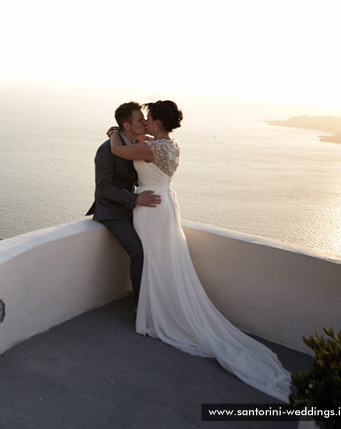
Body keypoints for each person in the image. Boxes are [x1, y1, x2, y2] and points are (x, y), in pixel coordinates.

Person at [108, 100, 291, 402]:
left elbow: (118, 150)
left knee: (155, 260)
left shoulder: (151, 148)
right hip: (163, 206)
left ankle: (157, 315)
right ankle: (156, 310)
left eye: (150, 118)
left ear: (158, 122)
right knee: (161, 260)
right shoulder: (168, 145)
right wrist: (136, 136)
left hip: (151, 210)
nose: (147, 123)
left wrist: (115, 131)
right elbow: (143, 142)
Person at [87, 102, 161, 308]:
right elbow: (103, 188)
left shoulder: (134, 145)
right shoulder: (106, 150)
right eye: (140, 120)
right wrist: (136, 199)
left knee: (154, 248)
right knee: (139, 254)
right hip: (112, 213)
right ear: (127, 126)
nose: (144, 122)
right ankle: (140, 306)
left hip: (131, 210)